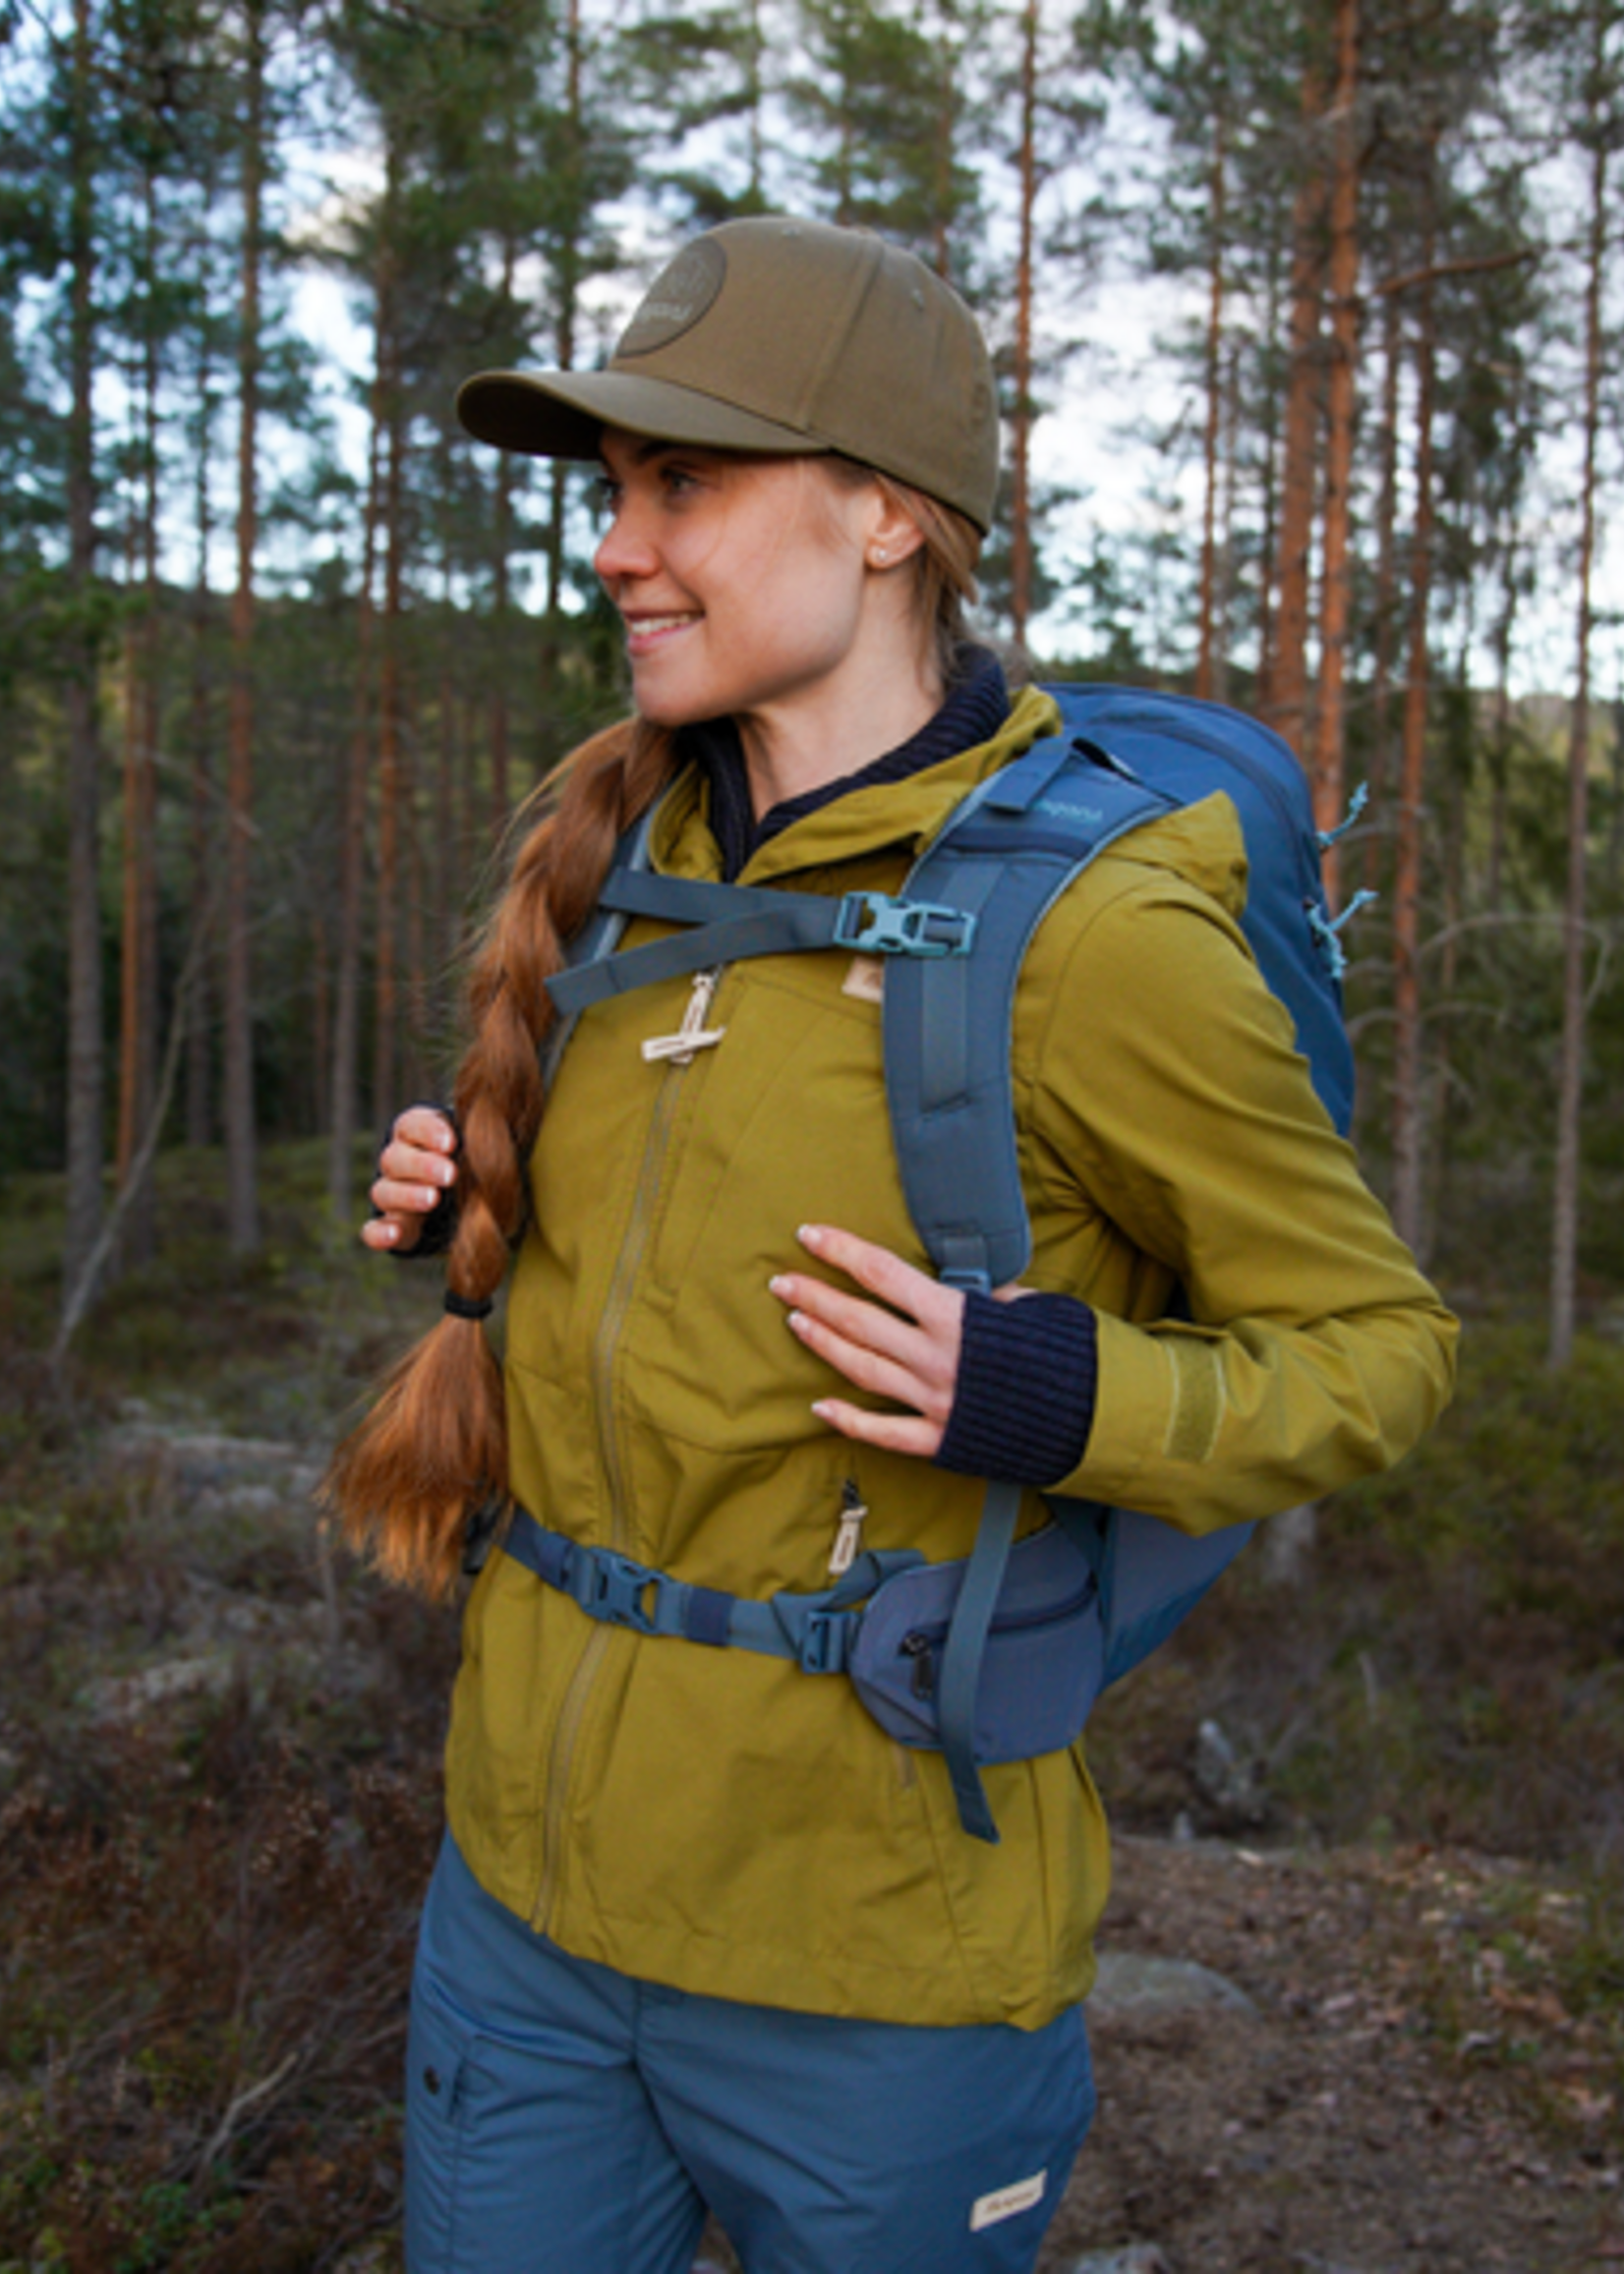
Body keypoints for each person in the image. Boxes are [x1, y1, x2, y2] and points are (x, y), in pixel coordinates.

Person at [327, 215, 1457, 2274]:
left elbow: (1373, 1352)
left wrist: (1047, 1387)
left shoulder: (1098, 935)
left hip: (873, 1962)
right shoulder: (628, 874)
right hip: (520, 1909)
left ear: (880, 516)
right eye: (611, 489)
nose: (615, 547)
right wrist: (472, 1215)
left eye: (684, 480)